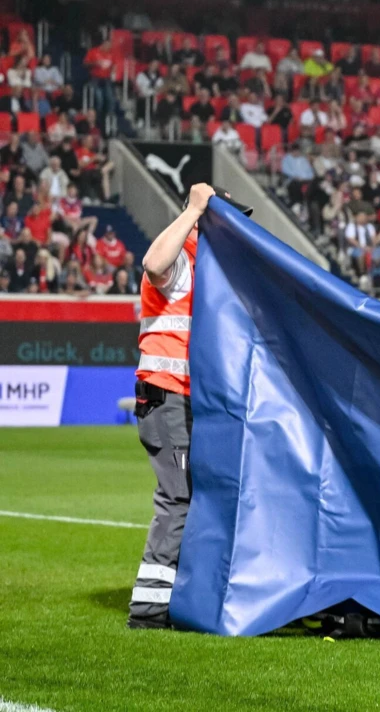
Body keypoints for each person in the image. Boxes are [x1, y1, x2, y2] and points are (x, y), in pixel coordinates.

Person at [128, 183, 251, 629]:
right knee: (178, 496)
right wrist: (195, 210)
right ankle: (149, 609)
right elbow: (152, 263)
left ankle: (181, 596)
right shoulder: (183, 254)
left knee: (193, 495)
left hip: (186, 397)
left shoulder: (209, 267)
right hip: (167, 394)